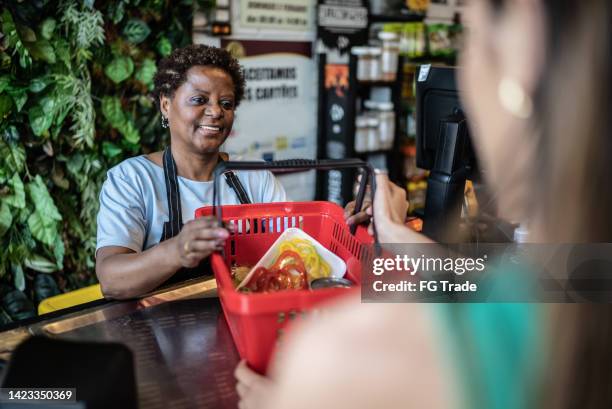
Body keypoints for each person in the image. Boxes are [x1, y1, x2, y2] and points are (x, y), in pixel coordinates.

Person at [235, 0, 612, 408]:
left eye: (471, 37)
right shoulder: (586, 278)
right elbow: (494, 286)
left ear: (525, 46)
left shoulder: (341, 360)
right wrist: (395, 233)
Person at [95, 45, 287, 299]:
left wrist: (354, 230)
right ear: (166, 105)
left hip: (243, 319)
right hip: (158, 330)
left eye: (226, 103)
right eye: (199, 99)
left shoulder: (254, 176)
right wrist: (177, 251)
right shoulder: (132, 179)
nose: (216, 111)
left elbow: (294, 249)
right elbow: (111, 280)